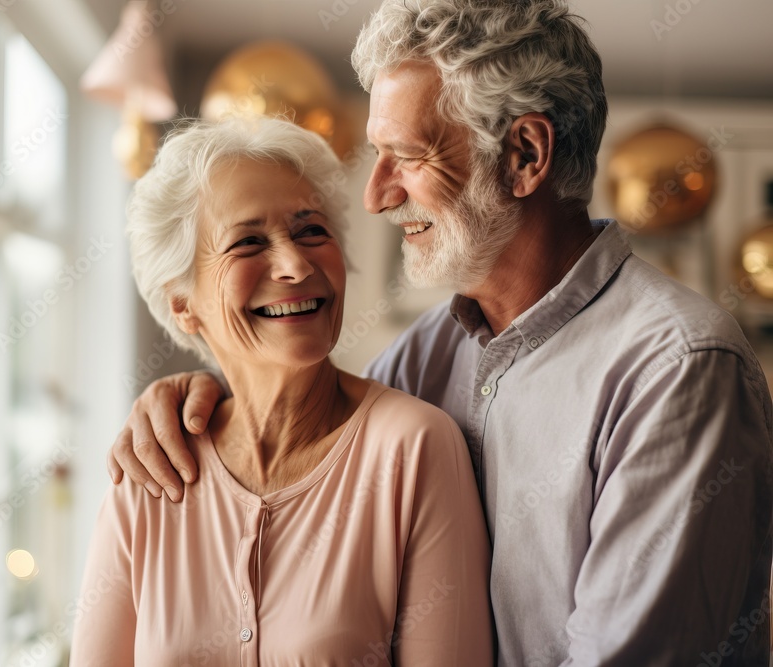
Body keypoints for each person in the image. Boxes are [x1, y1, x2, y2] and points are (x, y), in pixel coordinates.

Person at [108, 1, 773, 664]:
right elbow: (309, 430)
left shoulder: (678, 367)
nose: (375, 195)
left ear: (525, 154)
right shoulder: (426, 355)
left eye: (404, 156)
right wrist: (193, 400)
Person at [71, 117, 494, 665]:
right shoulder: (150, 472)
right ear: (183, 303)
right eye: (247, 242)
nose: (296, 265)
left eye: (311, 231)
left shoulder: (414, 448)